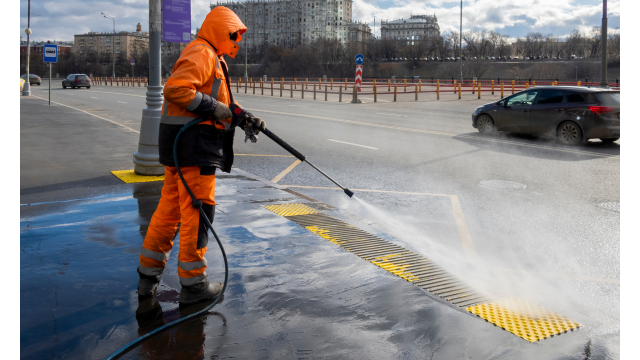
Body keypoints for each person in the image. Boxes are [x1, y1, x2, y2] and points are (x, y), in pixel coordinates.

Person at [136, 6, 265, 305]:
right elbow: (177, 90)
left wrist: (244, 117)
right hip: (193, 148)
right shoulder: (202, 52)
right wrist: (217, 109)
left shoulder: (213, 57)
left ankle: (147, 278)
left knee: (169, 211)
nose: (238, 40)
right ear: (221, 30)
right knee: (199, 211)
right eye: (234, 34)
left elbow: (218, 102)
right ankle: (194, 284)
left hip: (183, 149)